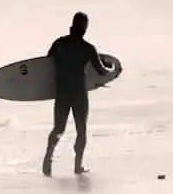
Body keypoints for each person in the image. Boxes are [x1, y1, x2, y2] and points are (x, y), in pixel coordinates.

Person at [42, 12, 118, 176]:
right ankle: (78, 166)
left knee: (58, 128)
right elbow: (101, 71)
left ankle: (48, 159)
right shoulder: (88, 49)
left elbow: (46, 65)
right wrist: (113, 68)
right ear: (84, 27)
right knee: (81, 131)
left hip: (62, 92)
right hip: (78, 94)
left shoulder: (59, 44)